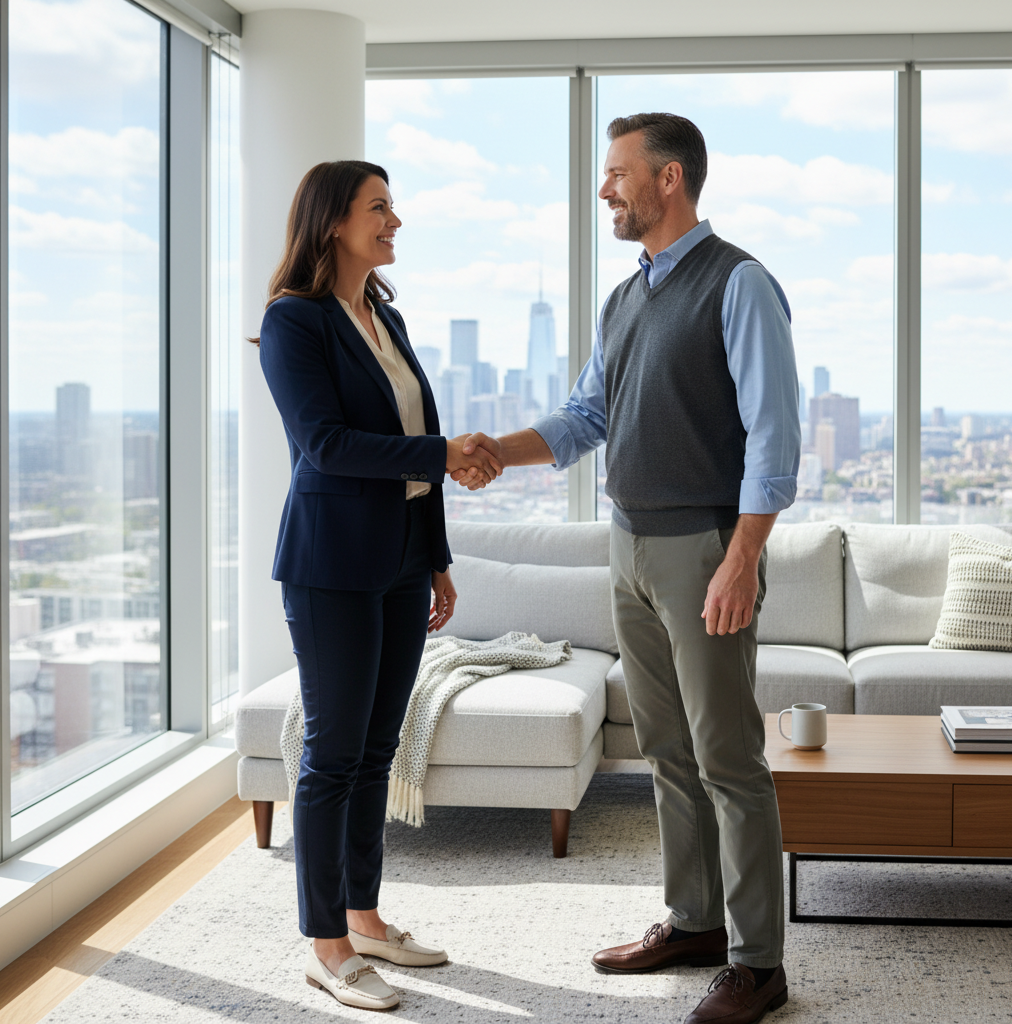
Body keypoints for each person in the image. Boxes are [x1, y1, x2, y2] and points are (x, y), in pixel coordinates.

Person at [456, 114, 800, 1024]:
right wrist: (498, 448)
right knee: (664, 749)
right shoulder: (625, 299)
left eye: (618, 174)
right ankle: (694, 922)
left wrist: (741, 559)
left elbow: (774, 437)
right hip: (630, 544)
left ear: (669, 180)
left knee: (728, 755)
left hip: (703, 549)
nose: (605, 190)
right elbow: (580, 421)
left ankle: (759, 964)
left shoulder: (741, 285)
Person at [255, 160, 502, 1012]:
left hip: (400, 559)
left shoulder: (381, 314)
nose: (395, 220)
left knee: (375, 750)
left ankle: (363, 915)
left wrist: (435, 557)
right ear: (333, 221)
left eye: (393, 205)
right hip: (329, 565)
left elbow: (412, 436)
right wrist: (443, 455)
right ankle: (325, 944)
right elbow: (325, 445)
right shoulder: (295, 322)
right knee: (330, 755)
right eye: (378, 207)